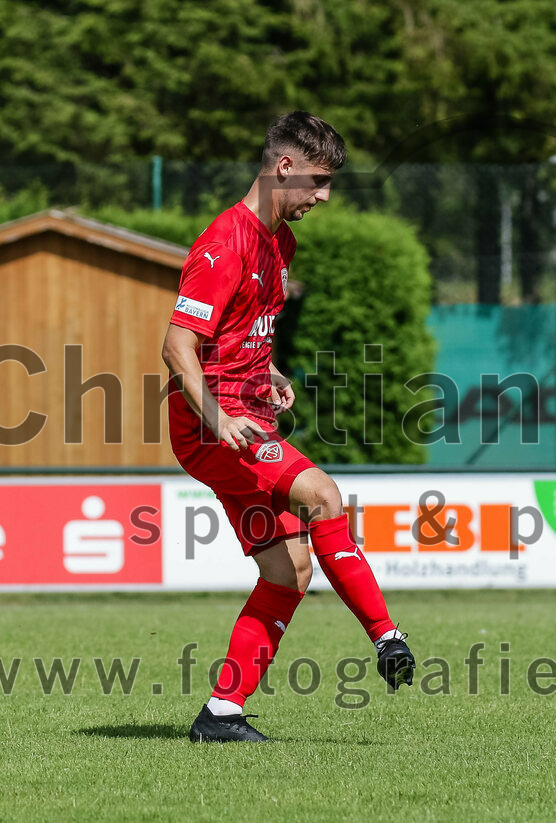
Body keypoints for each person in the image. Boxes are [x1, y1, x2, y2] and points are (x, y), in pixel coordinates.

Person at [161, 111, 415, 743]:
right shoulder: (225, 243)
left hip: (246, 412)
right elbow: (176, 345)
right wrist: (218, 417)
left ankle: (221, 714)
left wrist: (267, 368)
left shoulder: (279, 243)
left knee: (289, 571)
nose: (324, 196)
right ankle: (387, 636)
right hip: (214, 427)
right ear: (285, 168)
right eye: (319, 181)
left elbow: (241, 330)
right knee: (323, 494)